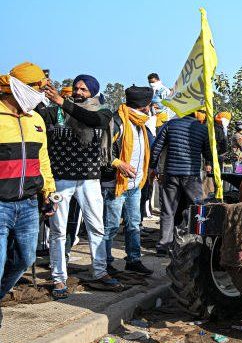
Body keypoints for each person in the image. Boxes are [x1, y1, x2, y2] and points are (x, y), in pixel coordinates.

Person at [39, 74, 121, 295]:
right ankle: (59, 278)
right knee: (58, 231)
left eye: (84, 89)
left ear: (92, 92)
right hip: (61, 179)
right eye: (76, 88)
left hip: (89, 179)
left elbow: (95, 122)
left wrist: (63, 102)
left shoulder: (102, 111)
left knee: (97, 227)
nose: (78, 93)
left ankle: (100, 271)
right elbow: (35, 114)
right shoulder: (54, 112)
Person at [0, 63, 56, 343]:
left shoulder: (36, 120)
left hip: (29, 205)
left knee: (24, 259)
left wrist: (49, 193)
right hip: (0, 205)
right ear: (18, 87)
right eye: (37, 87)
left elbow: (42, 161)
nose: (41, 93)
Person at [100, 86, 154, 276]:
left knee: (134, 225)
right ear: (145, 106)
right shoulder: (117, 122)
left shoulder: (141, 125)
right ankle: (105, 263)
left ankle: (133, 259)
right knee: (111, 226)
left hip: (134, 185)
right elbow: (101, 151)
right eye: (149, 105)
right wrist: (119, 164)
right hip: (116, 184)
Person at [149, 109, 210, 254]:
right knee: (198, 208)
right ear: (194, 114)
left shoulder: (170, 125)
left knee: (168, 210)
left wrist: (153, 166)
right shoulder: (202, 129)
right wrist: (209, 162)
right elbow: (208, 151)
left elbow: (157, 147)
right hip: (192, 176)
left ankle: (163, 245)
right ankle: (196, 244)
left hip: (171, 173)